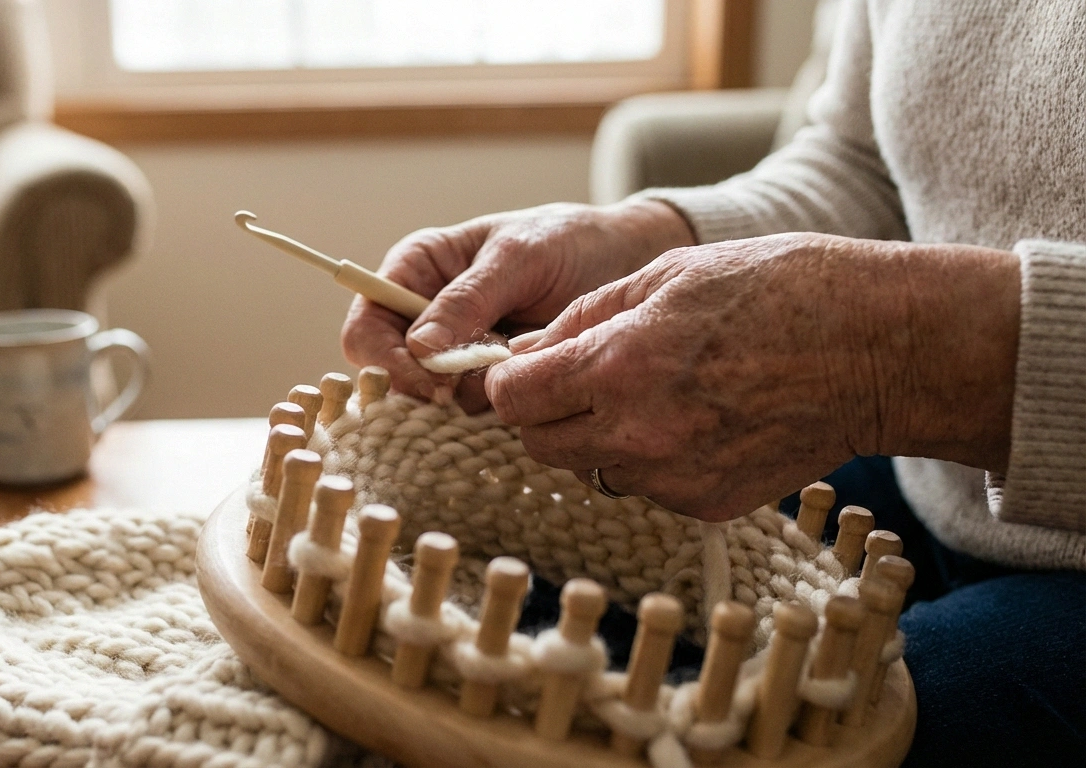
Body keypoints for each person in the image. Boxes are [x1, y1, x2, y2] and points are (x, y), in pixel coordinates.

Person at [341, 2, 1086, 766]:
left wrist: (888, 357)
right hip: (928, 476)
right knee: (535, 592)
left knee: (794, 736)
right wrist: (647, 243)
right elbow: (860, 161)